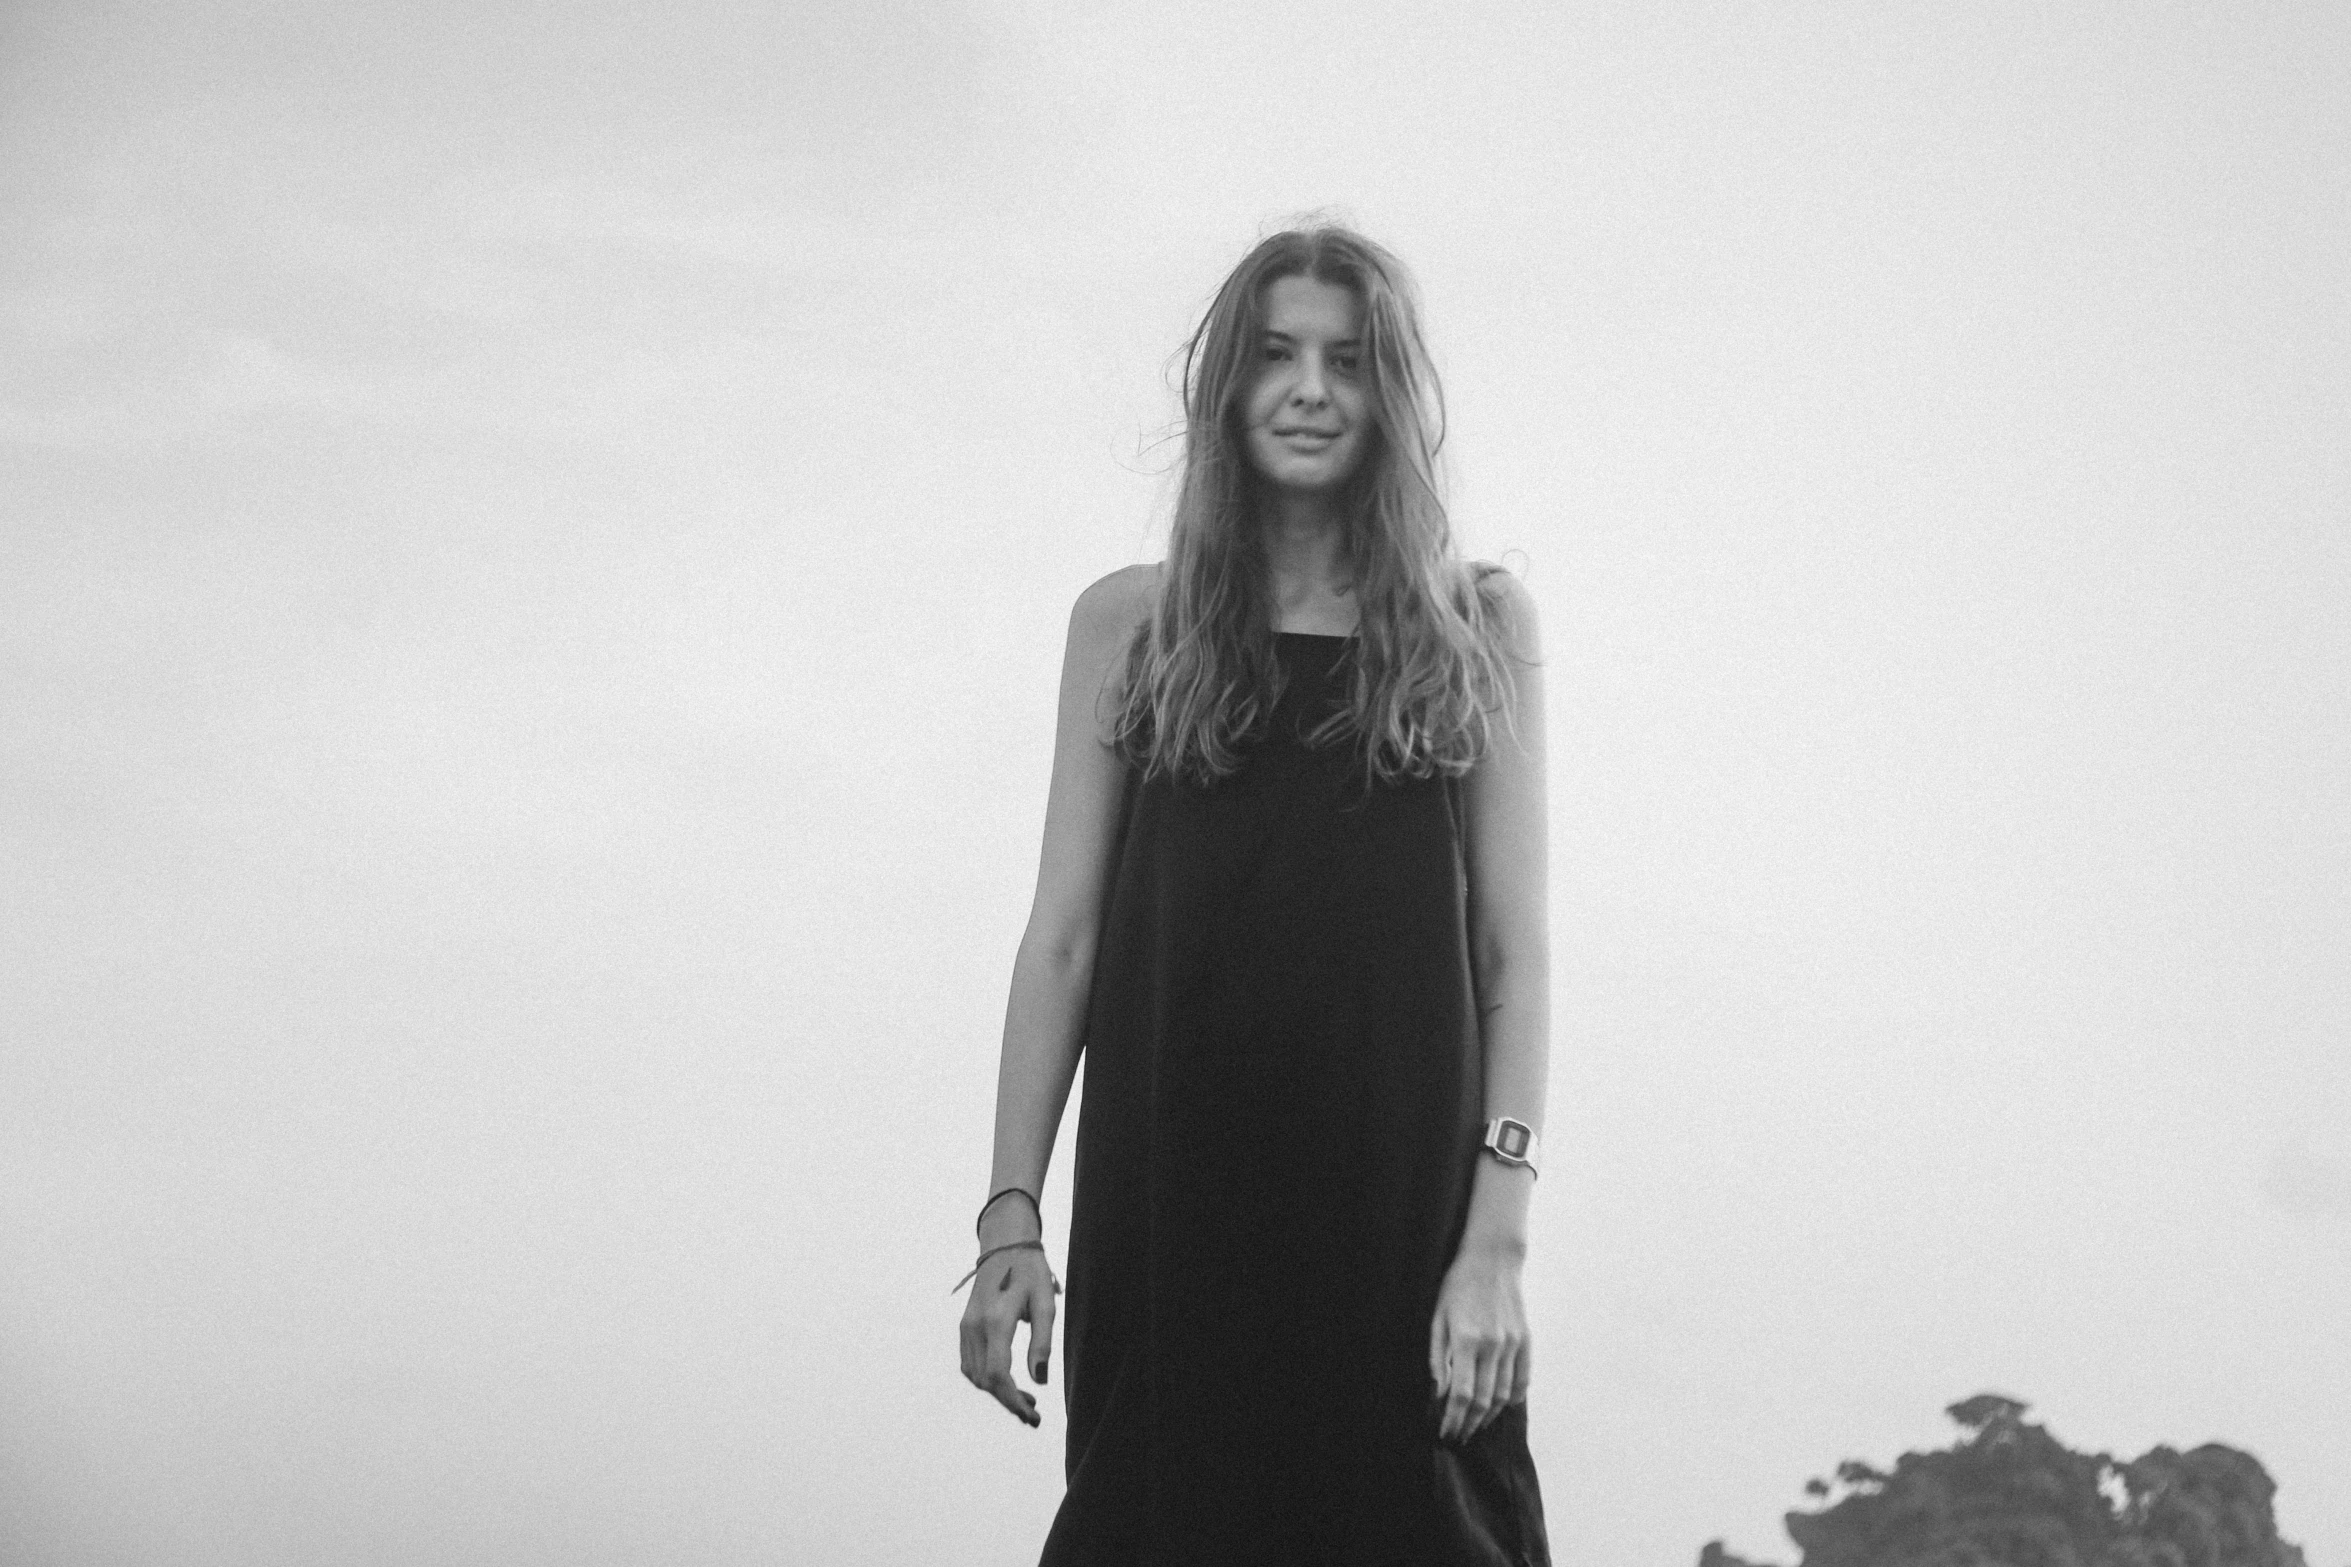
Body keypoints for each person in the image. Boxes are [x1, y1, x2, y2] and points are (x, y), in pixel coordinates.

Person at [956, 222, 1552, 1566]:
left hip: (1402, 1234)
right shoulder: (1127, 627)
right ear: (1226, 384)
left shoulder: (1478, 628)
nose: (1308, 389)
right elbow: (1062, 941)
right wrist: (1010, 1217)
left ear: (1387, 394)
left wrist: (1496, 1244)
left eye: (1346, 361)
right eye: (1277, 355)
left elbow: (1512, 953)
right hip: (1170, 1223)